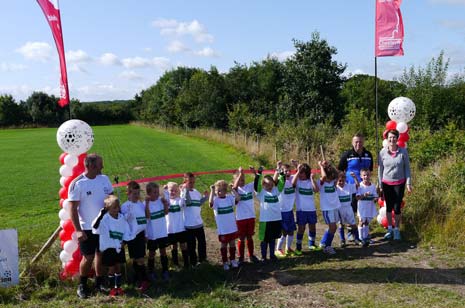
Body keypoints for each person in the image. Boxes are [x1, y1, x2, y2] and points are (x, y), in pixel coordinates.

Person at [68, 153, 113, 299]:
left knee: (101, 254)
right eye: (101, 164)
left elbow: (111, 200)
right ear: (92, 166)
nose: (103, 166)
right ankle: (82, 285)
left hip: (104, 226)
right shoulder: (78, 183)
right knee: (88, 257)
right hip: (87, 227)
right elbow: (72, 209)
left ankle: (99, 283)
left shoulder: (104, 179)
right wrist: (78, 230)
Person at [92, 195, 131, 296]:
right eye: (113, 207)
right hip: (109, 247)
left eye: (117, 207)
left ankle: (118, 287)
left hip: (119, 246)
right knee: (111, 268)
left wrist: (124, 242)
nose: (116, 209)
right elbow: (95, 227)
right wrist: (101, 214)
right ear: (107, 208)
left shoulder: (121, 218)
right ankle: (111, 288)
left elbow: (126, 230)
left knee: (118, 267)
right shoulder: (104, 218)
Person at [338, 133, 373, 240]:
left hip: (364, 187)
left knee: (363, 209)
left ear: (363, 142)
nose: (358, 144)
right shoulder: (347, 155)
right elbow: (340, 170)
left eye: (360, 141)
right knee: (351, 209)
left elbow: (370, 170)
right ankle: (350, 232)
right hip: (351, 187)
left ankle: (362, 230)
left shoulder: (368, 154)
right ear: (353, 143)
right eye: (356, 142)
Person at [378, 129, 412, 241]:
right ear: (387, 139)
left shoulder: (403, 152)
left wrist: (408, 183)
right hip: (386, 183)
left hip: (399, 183)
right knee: (388, 207)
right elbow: (380, 169)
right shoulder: (382, 152)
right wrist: (380, 185)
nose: (392, 139)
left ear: (397, 138)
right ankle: (389, 229)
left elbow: (407, 168)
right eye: (390, 138)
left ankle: (396, 229)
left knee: (397, 208)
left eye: (394, 137)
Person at [120, 181, 150, 292]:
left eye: (138, 193)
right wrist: (126, 216)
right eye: (134, 194)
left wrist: (146, 233)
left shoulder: (141, 204)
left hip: (141, 234)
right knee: (137, 258)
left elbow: (145, 220)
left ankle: (143, 280)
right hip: (132, 236)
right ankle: (140, 278)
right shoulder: (124, 206)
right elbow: (122, 221)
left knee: (140, 258)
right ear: (128, 193)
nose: (137, 196)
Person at [254, 167, 284, 262]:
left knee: (273, 238)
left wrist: (282, 173)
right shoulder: (261, 193)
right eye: (267, 185)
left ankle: (272, 255)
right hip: (265, 220)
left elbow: (281, 184)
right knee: (264, 239)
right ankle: (263, 256)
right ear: (263, 185)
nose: (270, 186)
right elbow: (256, 185)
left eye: (271, 185)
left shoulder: (276, 191)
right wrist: (259, 174)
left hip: (276, 219)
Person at [209, 180, 240, 270]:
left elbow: (238, 199)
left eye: (220, 190)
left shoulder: (230, 198)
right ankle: (225, 262)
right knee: (223, 245)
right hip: (223, 229)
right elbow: (210, 203)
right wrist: (212, 191)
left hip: (232, 227)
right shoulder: (216, 200)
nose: (218, 192)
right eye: (217, 191)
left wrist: (233, 190)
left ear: (225, 191)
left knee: (232, 244)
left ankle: (233, 260)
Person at [232, 166, 260, 263]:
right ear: (236, 180)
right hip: (240, 218)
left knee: (249, 236)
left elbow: (257, 181)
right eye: (239, 179)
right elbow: (234, 187)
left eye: (243, 179)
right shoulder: (235, 190)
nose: (242, 181)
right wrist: (240, 174)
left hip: (250, 217)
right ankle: (241, 257)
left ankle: (251, 255)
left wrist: (254, 173)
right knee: (241, 237)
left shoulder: (249, 186)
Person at [291, 163, 319, 255]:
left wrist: (312, 178)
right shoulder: (297, 181)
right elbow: (292, 183)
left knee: (312, 227)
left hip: (311, 209)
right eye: (300, 172)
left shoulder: (310, 181)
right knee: (301, 228)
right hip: (301, 210)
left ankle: (312, 244)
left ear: (307, 173)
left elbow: (316, 190)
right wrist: (298, 170)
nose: (301, 174)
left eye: (303, 173)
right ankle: (298, 247)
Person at [181, 172, 208, 266]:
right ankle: (193, 262)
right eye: (190, 182)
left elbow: (198, 203)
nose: (192, 184)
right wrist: (186, 190)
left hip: (199, 223)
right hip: (189, 225)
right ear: (185, 182)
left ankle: (203, 260)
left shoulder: (196, 192)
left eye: (193, 182)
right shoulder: (183, 193)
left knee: (202, 243)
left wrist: (205, 197)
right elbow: (187, 202)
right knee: (191, 246)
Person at [145, 182, 170, 281]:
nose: (156, 194)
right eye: (154, 192)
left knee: (163, 252)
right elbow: (147, 216)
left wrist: (165, 204)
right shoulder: (146, 203)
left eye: (157, 192)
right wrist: (147, 204)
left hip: (162, 232)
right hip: (152, 234)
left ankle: (165, 271)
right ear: (148, 193)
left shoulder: (161, 201)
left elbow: (166, 213)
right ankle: (151, 272)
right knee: (152, 253)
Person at [317, 161, 341, 255]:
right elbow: (323, 177)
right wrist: (321, 166)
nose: (331, 179)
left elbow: (338, 173)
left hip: (335, 207)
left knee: (333, 228)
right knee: (333, 227)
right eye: (330, 176)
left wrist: (329, 165)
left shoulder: (333, 182)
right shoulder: (321, 182)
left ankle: (323, 242)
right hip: (327, 208)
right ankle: (327, 246)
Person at [273, 161, 297, 256]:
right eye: (285, 171)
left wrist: (296, 165)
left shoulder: (292, 179)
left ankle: (288, 248)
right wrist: (278, 168)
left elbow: (299, 173)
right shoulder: (280, 179)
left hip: (290, 210)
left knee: (291, 231)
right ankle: (278, 249)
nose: (287, 173)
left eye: (288, 171)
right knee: (283, 232)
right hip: (281, 210)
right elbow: (274, 181)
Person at [165, 182, 190, 268]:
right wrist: (165, 192)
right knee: (173, 246)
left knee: (183, 245)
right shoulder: (166, 202)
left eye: (175, 191)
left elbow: (183, 202)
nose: (173, 192)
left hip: (180, 228)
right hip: (170, 229)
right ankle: (175, 263)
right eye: (171, 190)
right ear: (167, 191)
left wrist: (183, 190)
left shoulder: (179, 200)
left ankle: (186, 263)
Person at [336, 171, 361, 247]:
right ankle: (342, 240)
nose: (341, 182)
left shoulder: (349, 186)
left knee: (353, 224)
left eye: (343, 181)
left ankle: (357, 239)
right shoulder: (335, 188)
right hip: (339, 208)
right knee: (341, 224)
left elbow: (357, 186)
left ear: (345, 180)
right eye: (339, 181)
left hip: (348, 208)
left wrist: (355, 177)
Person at [356, 168, 378, 247]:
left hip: (369, 207)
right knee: (361, 221)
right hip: (362, 207)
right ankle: (360, 238)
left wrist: (375, 198)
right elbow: (357, 197)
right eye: (364, 175)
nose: (366, 177)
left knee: (367, 222)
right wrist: (364, 195)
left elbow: (375, 196)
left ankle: (365, 238)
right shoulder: (360, 186)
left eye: (368, 175)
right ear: (361, 176)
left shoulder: (373, 186)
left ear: (370, 175)